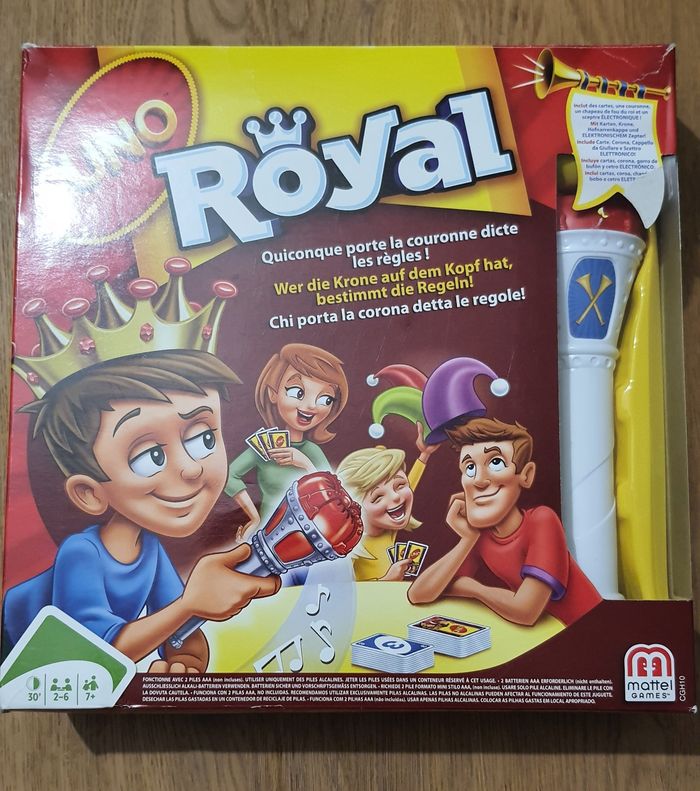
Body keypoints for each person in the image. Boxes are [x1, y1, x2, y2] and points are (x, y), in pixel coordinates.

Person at [2, 350, 281, 670]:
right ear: (89, 493)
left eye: (203, 439)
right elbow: (90, 651)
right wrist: (190, 604)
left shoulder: (149, 548)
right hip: (15, 653)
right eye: (149, 457)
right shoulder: (81, 553)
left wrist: (185, 661)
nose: (191, 469)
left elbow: (179, 631)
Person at [407, 418, 601, 626]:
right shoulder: (481, 534)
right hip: (542, 636)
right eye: (470, 467)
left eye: (496, 463)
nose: (479, 480)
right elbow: (418, 594)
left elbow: (525, 611)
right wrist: (467, 540)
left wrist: (474, 589)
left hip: (591, 630)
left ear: (526, 475)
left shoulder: (542, 520)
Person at [226, 343, 349, 540]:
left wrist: (305, 463)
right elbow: (229, 476)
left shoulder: (311, 451)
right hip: (267, 536)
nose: (311, 406)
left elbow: (335, 498)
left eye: (325, 399)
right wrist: (254, 518)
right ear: (273, 393)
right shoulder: (264, 447)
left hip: (309, 538)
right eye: (297, 392)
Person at [337, 422, 439, 581]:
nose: (396, 497)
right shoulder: (352, 546)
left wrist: (424, 455)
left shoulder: (387, 529)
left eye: (400, 485)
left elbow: (410, 485)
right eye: (378, 497)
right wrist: (386, 581)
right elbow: (344, 590)